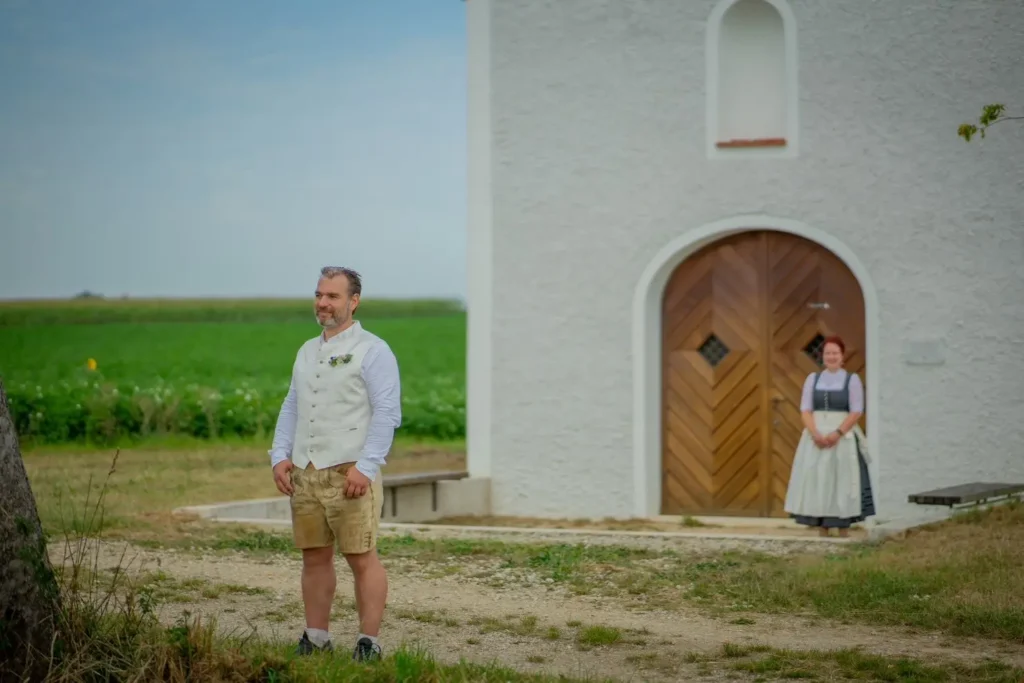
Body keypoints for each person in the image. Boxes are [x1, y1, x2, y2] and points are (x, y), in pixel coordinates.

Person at [268, 266, 401, 660]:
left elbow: (387, 411)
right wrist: (279, 455)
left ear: (353, 301)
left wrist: (367, 466)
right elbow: (292, 404)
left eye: (333, 296)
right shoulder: (306, 350)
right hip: (306, 473)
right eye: (320, 294)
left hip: (350, 473)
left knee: (362, 557)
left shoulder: (373, 350)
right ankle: (317, 637)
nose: (323, 303)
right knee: (314, 556)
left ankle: (369, 642)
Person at [783, 335, 875, 538]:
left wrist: (837, 433)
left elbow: (856, 410)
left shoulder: (851, 380)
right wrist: (815, 433)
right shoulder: (812, 379)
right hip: (816, 435)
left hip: (842, 436)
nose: (831, 356)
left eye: (835, 353)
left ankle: (842, 526)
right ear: (822, 356)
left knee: (841, 478)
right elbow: (805, 409)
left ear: (842, 356)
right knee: (818, 478)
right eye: (827, 353)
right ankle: (821, 526)